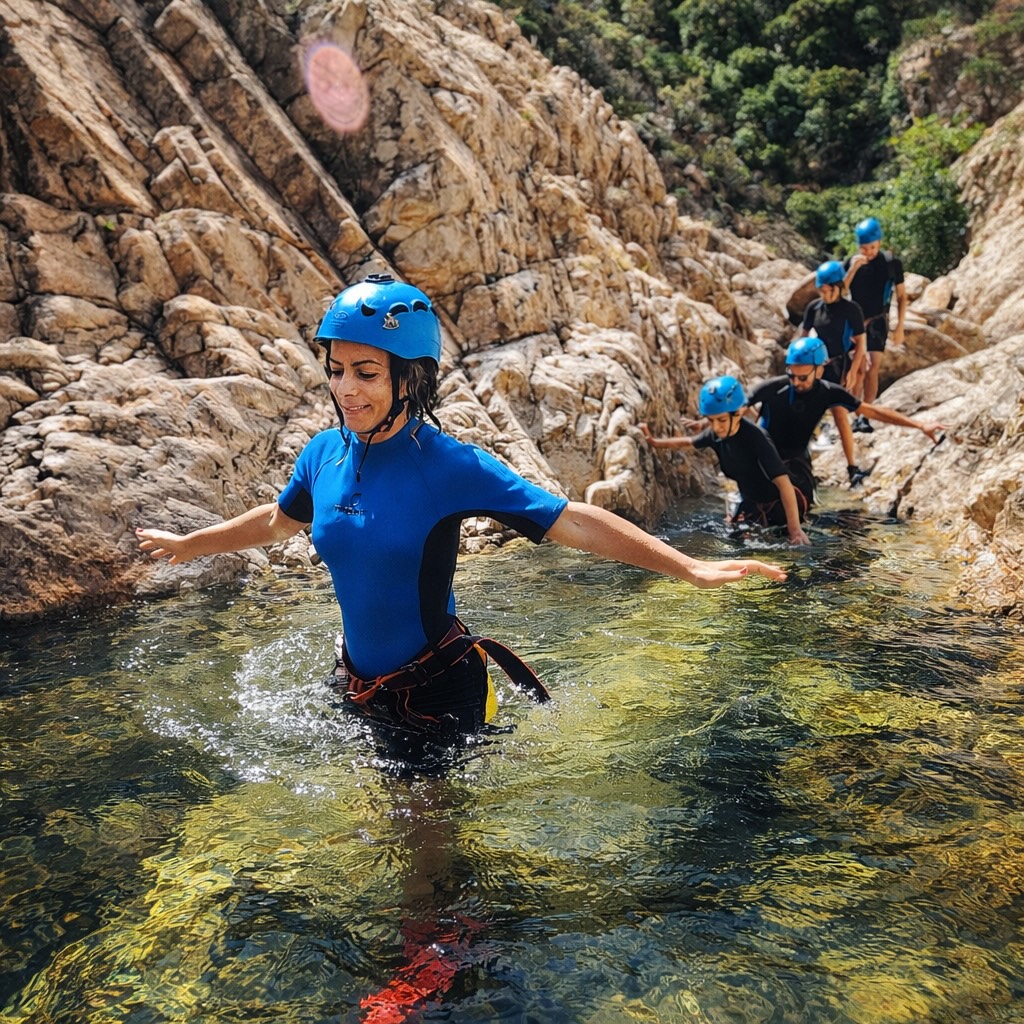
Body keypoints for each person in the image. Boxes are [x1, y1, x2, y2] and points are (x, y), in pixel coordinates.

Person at [137, 274, 786, 772]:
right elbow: (279, 522)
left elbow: (573, 523)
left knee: (427, 849)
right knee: (380, 816)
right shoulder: (323, 454)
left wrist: (688, 566)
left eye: (366, 373)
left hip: (438, 687)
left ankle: (453, 945)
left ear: (409, 378)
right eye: (336, 371)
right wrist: (195, 543)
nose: (346, 389)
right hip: (358, 682)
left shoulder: (448, 466)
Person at [747, 336, 944, 490]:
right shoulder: (771, 388)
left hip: (797, 457)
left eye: (803, 377)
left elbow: (873, 412)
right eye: (792, 375)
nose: (796, 382)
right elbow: (736, 410)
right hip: (765, 454)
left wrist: (920, 425)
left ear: (820, 371)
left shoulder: (828, 392)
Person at [639, 375, 810, 547]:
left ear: (738, 414)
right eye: (711, 420)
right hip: (751, 505)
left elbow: (784, 484)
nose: (716, 426)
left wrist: (794, 530)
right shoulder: (716, 435)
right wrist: (654, 442)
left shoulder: (757, 438)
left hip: (779, 508)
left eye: (721, 420)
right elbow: (689, 442)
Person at [801, 259, 868, 475]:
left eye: (827, 289)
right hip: (816, 367)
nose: (823, 293)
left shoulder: (851, 310)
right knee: (805, 413)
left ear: (838, 287)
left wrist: (852, 373)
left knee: (840, 414)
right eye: (820, 289)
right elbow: (803, 339)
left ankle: (852, 465)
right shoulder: (814, 308)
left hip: (840, 366)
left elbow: (861, 345)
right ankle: (800, 463)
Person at [844, 216, 907, 431]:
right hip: (855, 323)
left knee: (873, 368)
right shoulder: (852, 263)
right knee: (858, 369)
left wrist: (899, 327)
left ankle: (866, 415)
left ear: (879, 243)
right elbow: (840, 293)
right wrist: (852, 269)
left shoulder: (891, 263)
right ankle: (855, 414)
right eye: (864, 248)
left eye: (871, 247)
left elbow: (902, 296)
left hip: (879, 321)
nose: (868, 252)